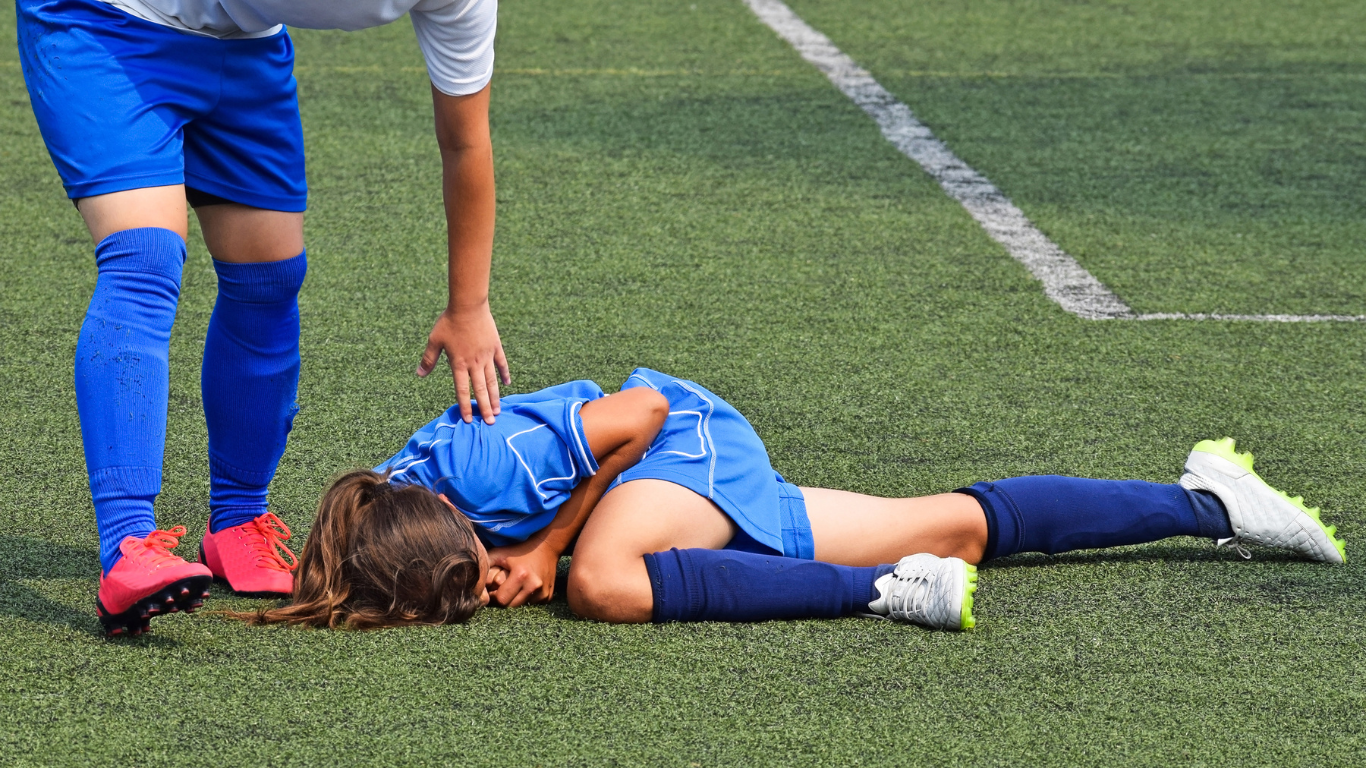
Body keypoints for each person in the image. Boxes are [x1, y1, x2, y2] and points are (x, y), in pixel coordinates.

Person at [17, 0, 510, 635]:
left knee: (269, 277)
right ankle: (127, 546)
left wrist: (468, 305)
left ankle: (238, 520)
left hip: (243, 48)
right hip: (106, 22)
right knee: (145, 259)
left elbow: (465, 139)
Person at [205, 368, 1344, 637]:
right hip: (663, 478)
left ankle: (879, 595)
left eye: (467, 580)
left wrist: (548, 547)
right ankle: (1210, 503)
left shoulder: (488, 478)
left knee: (601, 582)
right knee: (948, 518)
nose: (482, 595)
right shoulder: (402, 505)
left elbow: (641, 408)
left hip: (682, 438)